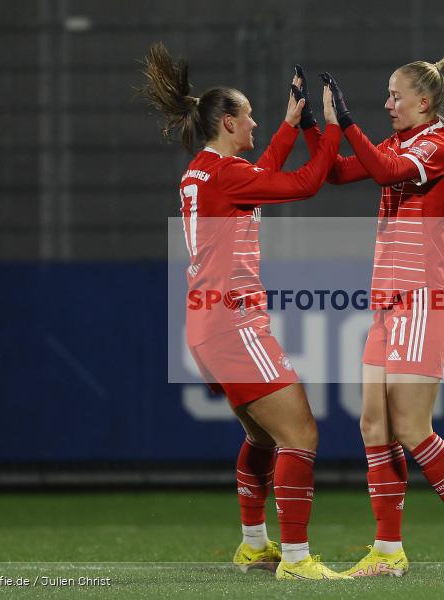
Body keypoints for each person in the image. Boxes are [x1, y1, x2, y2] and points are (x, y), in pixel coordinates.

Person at [139, 43, 348, 581]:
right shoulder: (226, 177)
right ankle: (297, 560)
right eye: (250, 115)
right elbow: (303, 184)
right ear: (229, 122)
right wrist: (325, 129)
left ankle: (254, 545)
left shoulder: (204, 173)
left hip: (206, 324)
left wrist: (285, 124)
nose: (255, 122)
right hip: (234, 322)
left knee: (261, 438)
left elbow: (258, 179)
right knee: (300, 435)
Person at [295, 61, 444, 578]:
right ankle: (388, 551)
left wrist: (348, 122)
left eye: (394, 96)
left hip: (421, 300)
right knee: (374, 425)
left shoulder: (436, 147)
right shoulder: (400, 143)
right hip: (389, 303)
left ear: (423, 103)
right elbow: (341, 171)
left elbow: (386, 173)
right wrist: (311, 125)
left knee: (411, 427)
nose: (387, 104)